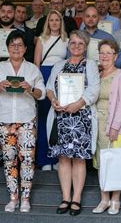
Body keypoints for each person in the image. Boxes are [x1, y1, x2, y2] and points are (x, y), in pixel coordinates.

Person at [0, 30, 46, 213]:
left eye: (20, 45)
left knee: (27, 159)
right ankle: (13, 198)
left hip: (27, 119)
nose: (16, 48)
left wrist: (30, 88)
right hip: (4, 119)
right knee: (9, 160)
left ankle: (26, 198)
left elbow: (41, 94)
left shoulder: (32, 69)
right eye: (13, 45)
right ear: (7, 48)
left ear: (25, 48)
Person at [46, 30, 100, 216]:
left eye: (80, 44)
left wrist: (78, 104)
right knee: (63, 158)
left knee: (78, 159)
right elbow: (49, 88)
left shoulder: (90, 65)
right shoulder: (59, 65)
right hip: (61, 117)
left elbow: (94, 89)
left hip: (80, 118)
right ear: (68, 45)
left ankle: (76, 198)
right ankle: (65, 197)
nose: (76, 46)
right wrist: (53, 100)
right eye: (73, 43)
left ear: (86, 47)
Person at [92, 40, 121, 215]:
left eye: (109, 53)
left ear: (116, 56)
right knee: (102, 162)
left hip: (118, 125)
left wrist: (115, 126)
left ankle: (115, 199)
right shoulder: (96, 75)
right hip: (98, 125)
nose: (105, 56)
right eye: (102, 52)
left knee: (116, 161)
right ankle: (104, 199)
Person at [34, 10, 69, 171]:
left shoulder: (67, 40)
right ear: (47, 23)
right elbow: (36, 65)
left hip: (61, 78)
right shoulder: (41, 39)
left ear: (61, 22)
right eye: (51, 20)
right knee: (43, 120)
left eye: (57, 20)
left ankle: (57, 159)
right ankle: (44, 159)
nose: (54, 23)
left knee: (58, 120)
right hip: (44, 74)